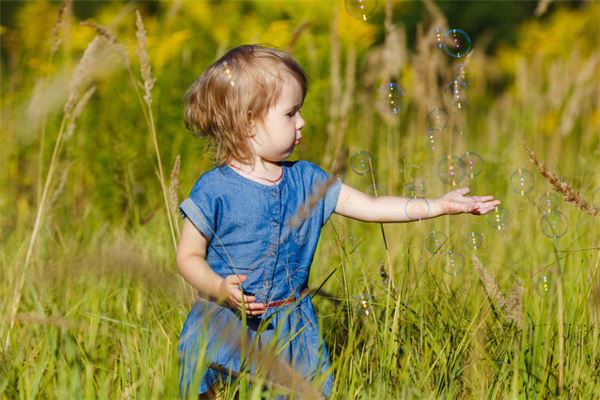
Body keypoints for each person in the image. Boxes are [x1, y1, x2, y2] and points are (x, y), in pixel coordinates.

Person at [176, 44, 500, 398]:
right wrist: (219, 287)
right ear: (249, 122)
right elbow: (188, 256)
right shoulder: (214, 189)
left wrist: (439, 205)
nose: (302, 122)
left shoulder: (308, 181)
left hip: (290, 329)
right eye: (290, 113)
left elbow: (373, 206)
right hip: (225, 324)